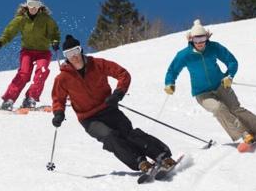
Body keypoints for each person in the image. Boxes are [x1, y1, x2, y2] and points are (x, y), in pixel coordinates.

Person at [51, 35, 177, 173]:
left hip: (108, 108)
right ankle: (139, 162)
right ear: (65, 57)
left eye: (75, 51)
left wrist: (118, 93)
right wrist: (58, 113)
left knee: (129, 134)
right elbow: (58, 98)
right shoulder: (62, 78)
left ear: (80, 50)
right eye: (69, 54)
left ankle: (162, 155)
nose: (73, 56)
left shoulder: (97, 64)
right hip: (88, 118)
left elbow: (123, 74)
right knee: (110, 137)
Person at [164, 19, 256, 152]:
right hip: (202, 93)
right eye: (197, 40)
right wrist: (169, 83)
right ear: (191, 39)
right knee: (219, 108)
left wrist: (229, 76)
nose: (200, 43)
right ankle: (244, 134)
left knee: (236, 109)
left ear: (207, 37)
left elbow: (231, 61)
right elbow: (172, 70)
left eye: (203, 39)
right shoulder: (184, 55)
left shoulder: (214, 47)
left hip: (220, 85)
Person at [0, 0, 60, 111]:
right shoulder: (21, 19)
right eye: (31, 5)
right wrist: (0, 41)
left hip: (43, 52)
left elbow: (55, 33)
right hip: (27, 52)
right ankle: (9, 99)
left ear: (40, 6)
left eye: (36, 5)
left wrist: (55, 42)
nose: (33, 8)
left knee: (42, 72)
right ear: (27, 5)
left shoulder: (46, 19)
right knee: (24, 74)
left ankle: (31, 98)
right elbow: (9, 33)